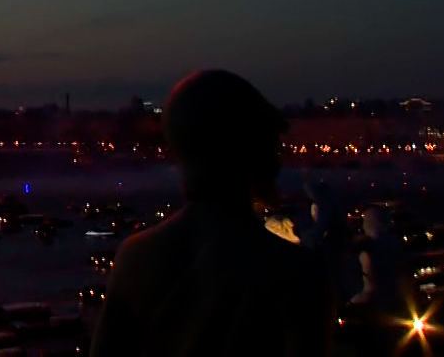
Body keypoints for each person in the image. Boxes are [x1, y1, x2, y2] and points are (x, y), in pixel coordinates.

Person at [91, 70, 334, 357]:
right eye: (269, 142)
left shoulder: (135, 259)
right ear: (244, 147)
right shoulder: (297, 273)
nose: (278, 159)